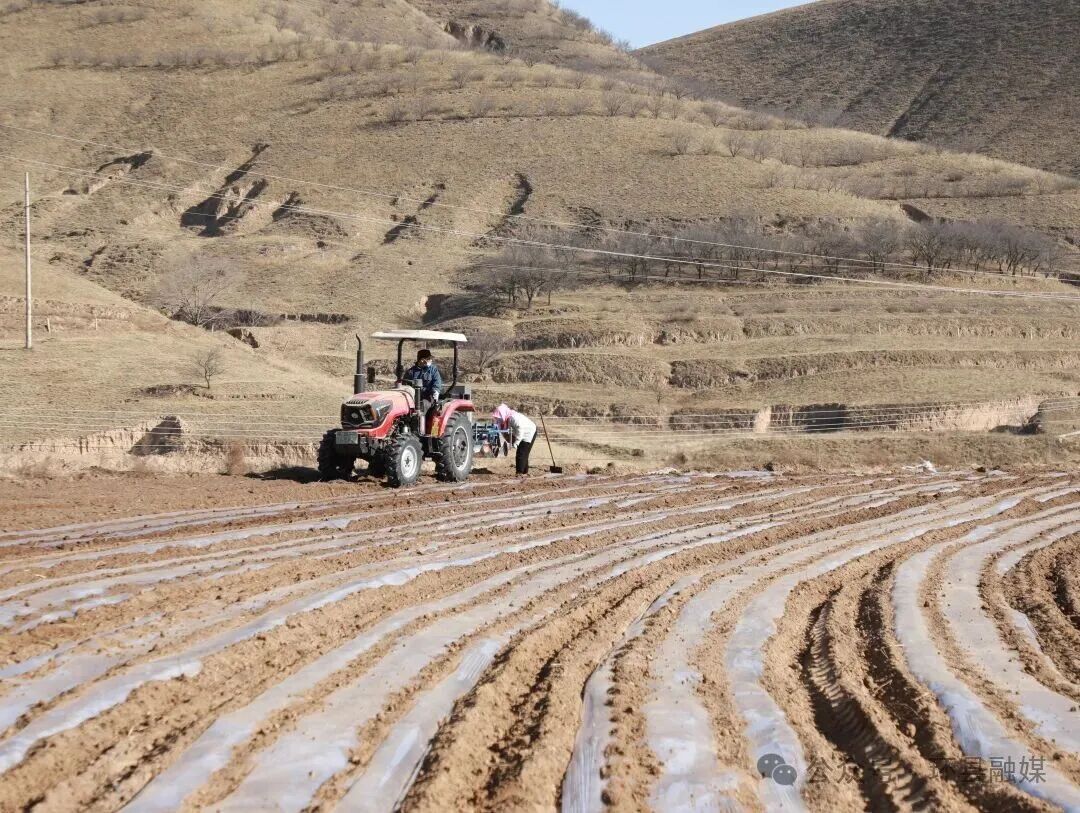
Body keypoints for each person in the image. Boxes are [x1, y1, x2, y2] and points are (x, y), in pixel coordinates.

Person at [492, 404, 537, 476]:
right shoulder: (504, 420)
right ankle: (524, 473)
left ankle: (519, 473)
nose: (498, 419)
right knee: (524, 453)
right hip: (522, 432)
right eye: (498, 417)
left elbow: (520, 429)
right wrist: (507, 440)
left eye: (499, 416)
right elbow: (503, 431)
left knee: (521, 453)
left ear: (502, 414)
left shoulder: (513, 418)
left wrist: (516, 442)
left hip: (529, 431)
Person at [403, 349, 443, 421]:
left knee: (422, 405)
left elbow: (437, 382)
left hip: (428, 397)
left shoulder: (433, 370)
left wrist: (436, 391)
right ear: (422, 360)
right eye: (429, 358)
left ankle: (418, 424)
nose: (431, 360)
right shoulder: (410, 372)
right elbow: (404, 385)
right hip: (413, 397)